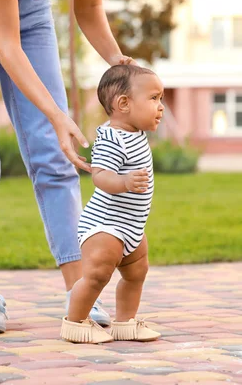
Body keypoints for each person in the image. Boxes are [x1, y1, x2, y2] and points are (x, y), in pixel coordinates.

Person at [0, 0, 137, 334]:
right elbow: (6, 44)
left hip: (32, 10)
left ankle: (79, 291)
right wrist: (56, 114)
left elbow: (90, 5)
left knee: (56, 155)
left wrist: (117, 59)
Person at [60, 65, 164, 344]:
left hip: (131, 225)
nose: (160, 106)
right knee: (96, 276)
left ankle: (125, 322)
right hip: (105, 225)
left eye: (161, 99)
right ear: (123, 104)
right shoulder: (110, 138)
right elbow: (101, 176)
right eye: (154, 98)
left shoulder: (135, 133)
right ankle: (76, 323)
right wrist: (125, 182)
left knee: (137, 272)